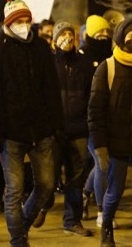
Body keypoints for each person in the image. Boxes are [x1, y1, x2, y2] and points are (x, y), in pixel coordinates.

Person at [0, 0, 64, 247]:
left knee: (45, 186)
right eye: (18, 21)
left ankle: (22, 227)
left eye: (26, 21)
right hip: (10, 133)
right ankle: (18, 241)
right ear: (8, 23)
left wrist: (56, 124)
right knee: (14, 191)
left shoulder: (41, 47)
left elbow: (52, 88)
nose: (23, 26)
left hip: (41, 130)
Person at [89, 19, 132, 247]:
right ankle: (107, 227)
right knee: (114, 192)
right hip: (115, 143)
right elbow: (95, 110)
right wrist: (100, 145)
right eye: (130, 36)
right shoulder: (107, 67)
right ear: (120, 38)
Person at [51, 22, 94, 237]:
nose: (67, 38)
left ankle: (72, 220)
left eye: (70, 34)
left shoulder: (84, 64)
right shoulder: (49, 63)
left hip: (78, 129)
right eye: (63, 34)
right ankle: (42, 206)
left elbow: (90, 95)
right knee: (48, 176)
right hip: (54, 130)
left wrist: (86, 121)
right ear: (55, 39)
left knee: (75, 178)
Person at [79, 15, 115, 226]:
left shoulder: (112, 56)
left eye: (106, 33)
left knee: (102, 163)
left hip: (110, 118)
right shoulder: (83, 58)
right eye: (99, 33)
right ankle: (103, 212)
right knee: (103, 164)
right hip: (91, 119)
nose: (103, 37)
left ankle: (85, 194)